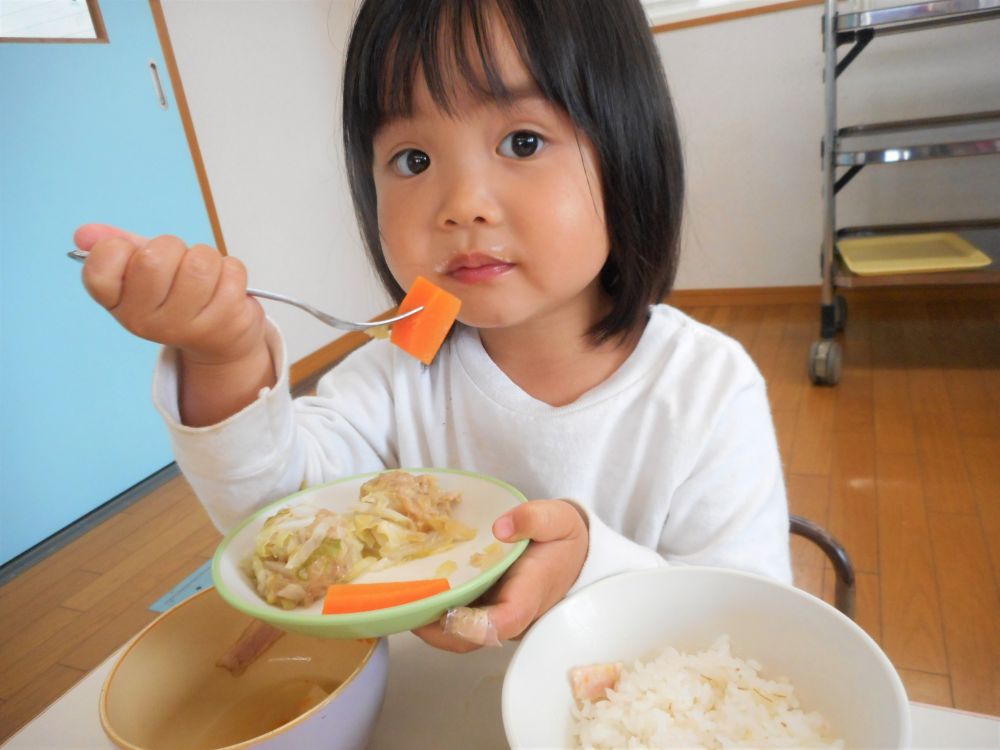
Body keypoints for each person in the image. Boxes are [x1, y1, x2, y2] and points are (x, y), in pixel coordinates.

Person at [73, 0, 791, 652]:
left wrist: (588, 569)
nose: (461, 205)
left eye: (522, 143)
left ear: (628, 149)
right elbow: (275, 519)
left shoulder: (707, 389)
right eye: (412, 159)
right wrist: (222, 360)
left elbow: (751, 628)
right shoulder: (395, 371)